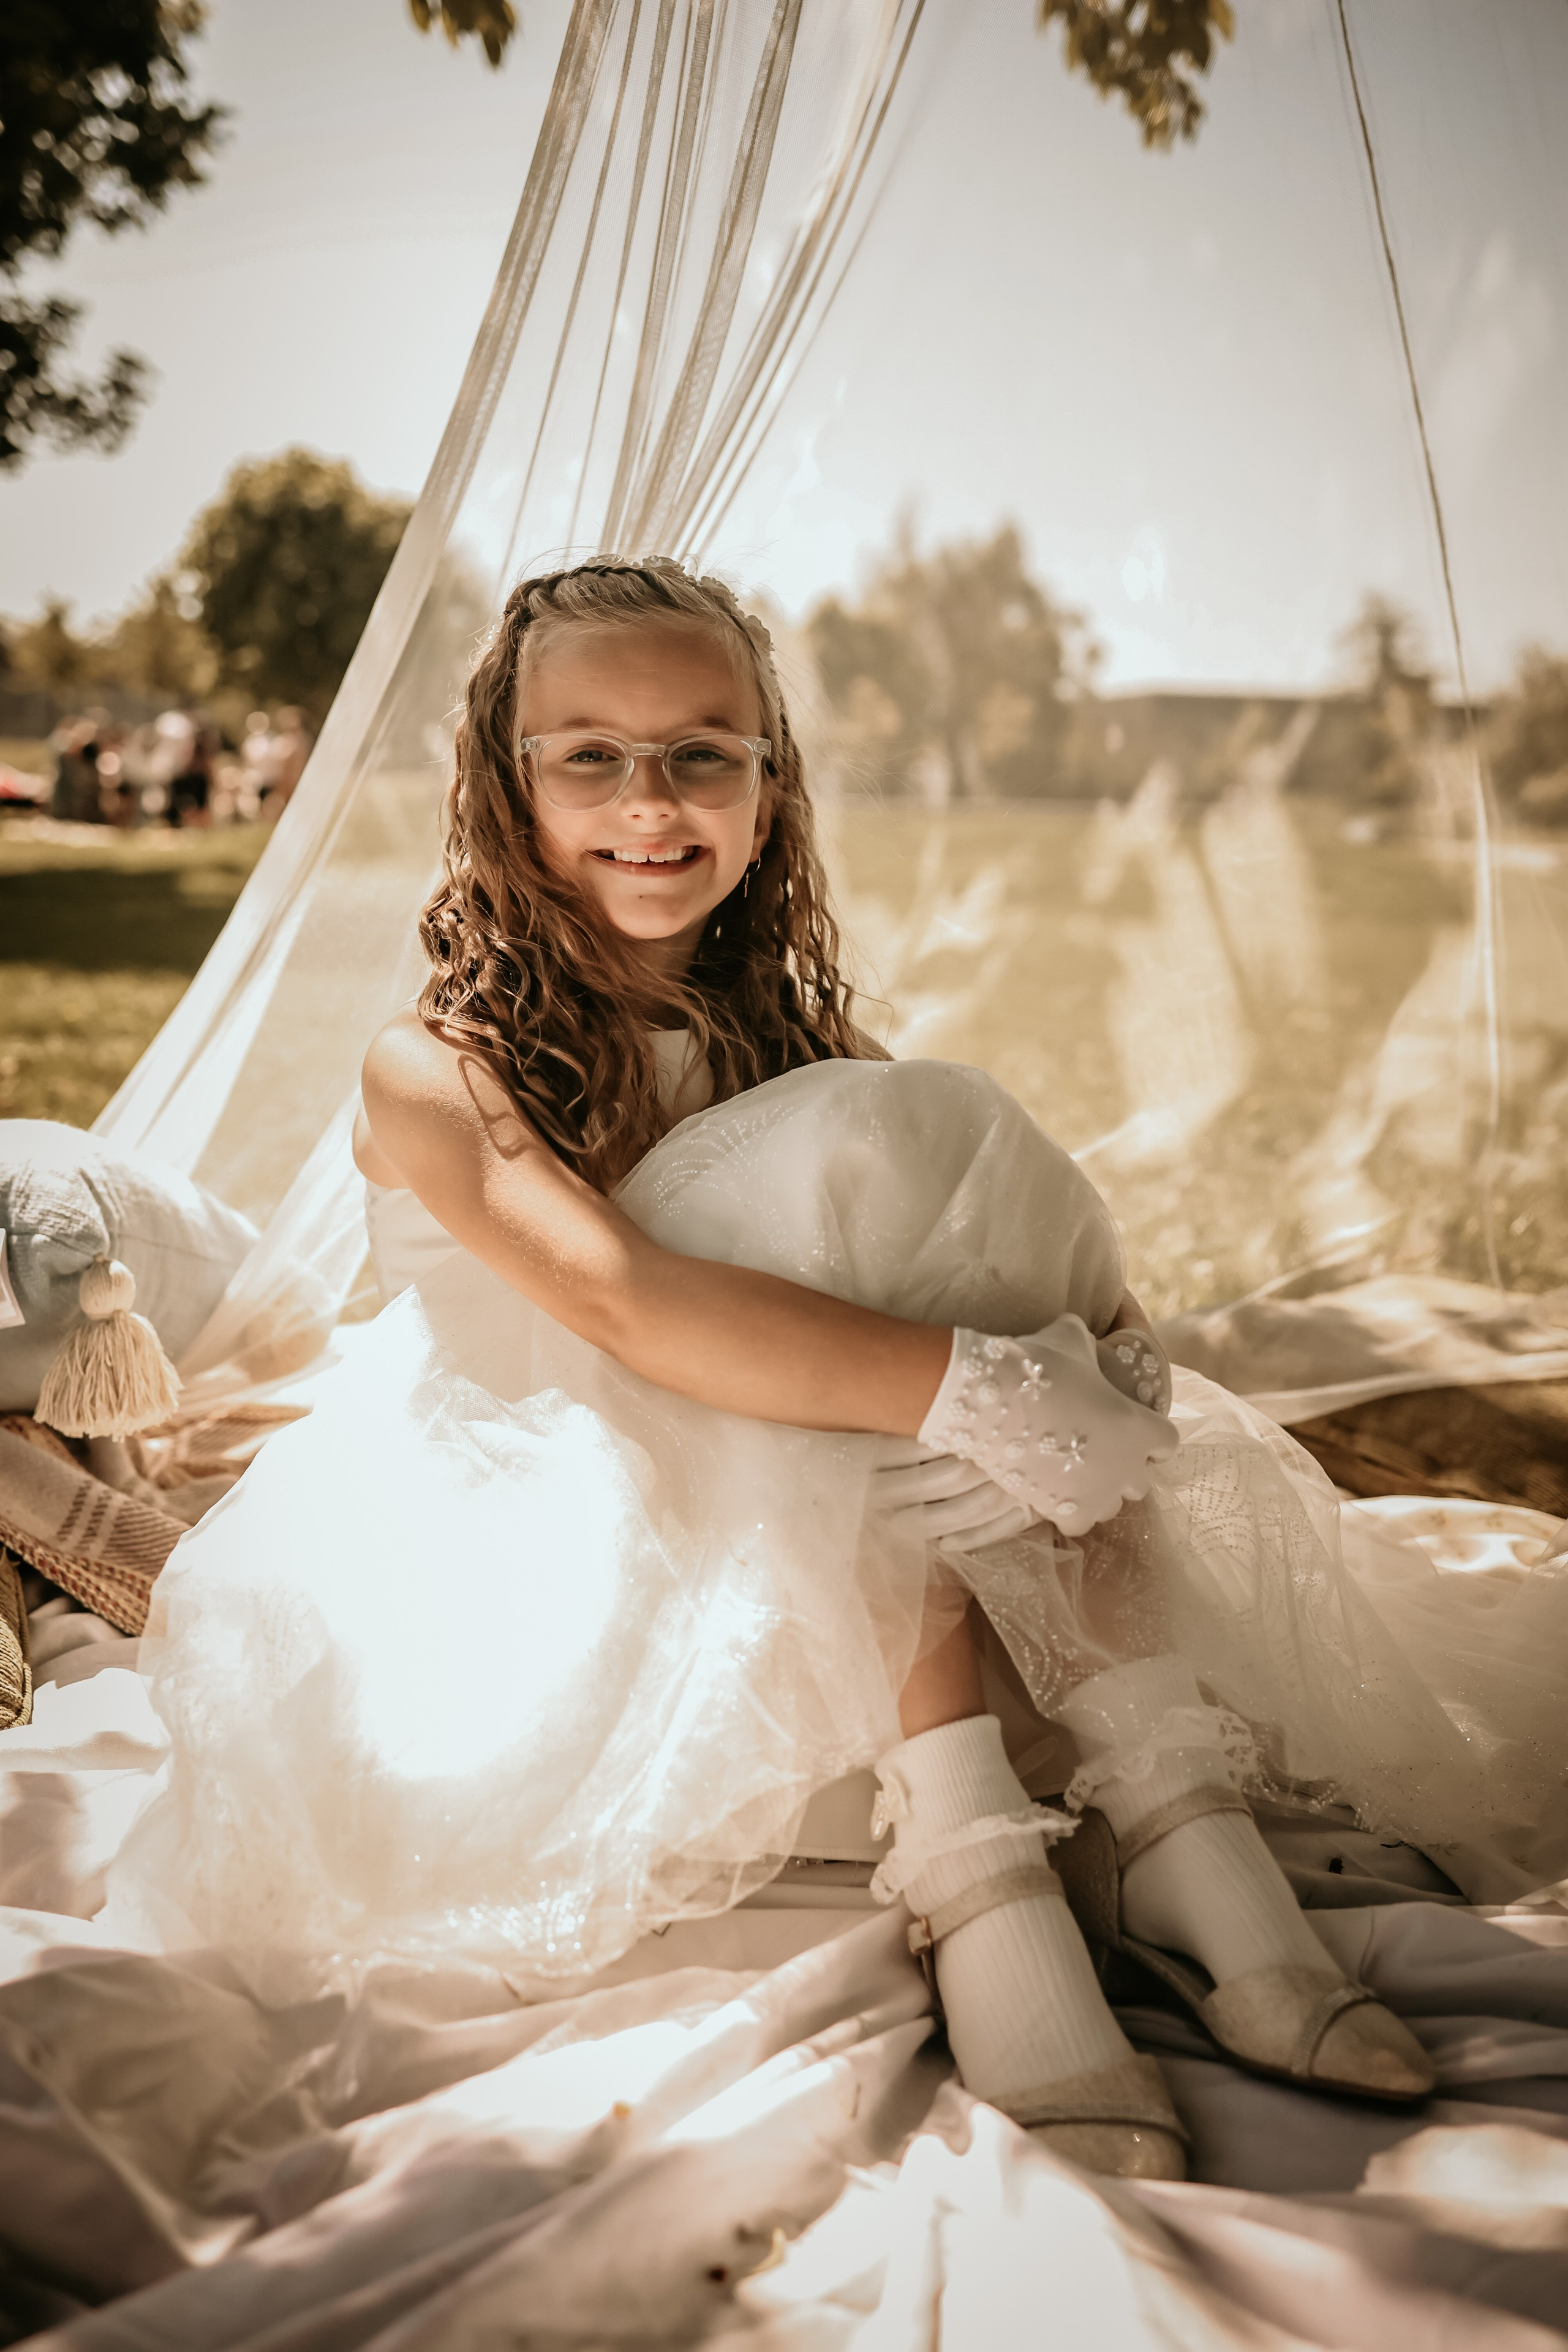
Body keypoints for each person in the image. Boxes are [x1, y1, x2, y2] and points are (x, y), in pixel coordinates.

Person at [106, 560, 1566, 2182]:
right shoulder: (434, 1065)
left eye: (702, 753)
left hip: (845, 1524)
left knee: (929, 1130)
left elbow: (998, 1233)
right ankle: (971, 1866)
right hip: (564, 1515)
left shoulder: (802, 1050)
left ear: (768, 787)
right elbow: (635, 1307)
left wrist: (1110, 1362)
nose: (649, 800)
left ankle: (1179, 1823)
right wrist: (986, 1395)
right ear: (506, 792)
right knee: (855, 1342)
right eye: (589, 754)